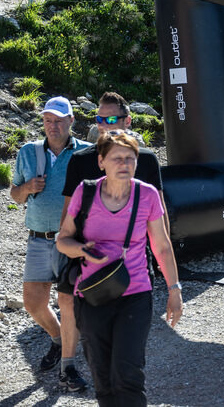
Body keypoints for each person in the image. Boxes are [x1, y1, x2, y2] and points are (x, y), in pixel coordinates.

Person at [57, 132, 182, 405]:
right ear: (101, 161)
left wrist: (174, 289)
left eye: (130, 158)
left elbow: (161, 245)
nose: (124, 163)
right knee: (103, 378)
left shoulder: (147, 195)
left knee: (127, 374)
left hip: (134, 294)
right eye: (117, 158)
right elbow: (62, 240)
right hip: (91, 296)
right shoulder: (85, 191)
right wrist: (82, 249)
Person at [10, 96, 91, 392]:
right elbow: (14, 195)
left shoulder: (87, 153)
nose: (52, 126)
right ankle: (58, 340)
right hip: (38, 239)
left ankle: (68, 367)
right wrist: (27, 188)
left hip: (72, 242)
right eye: (47, 120)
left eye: (58, 120)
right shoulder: (28, 152)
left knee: (67, 302)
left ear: (71, 121)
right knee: (33, 303)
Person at [62, 92, 168, 235]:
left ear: (128, 121)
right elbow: (67, 218)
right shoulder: (79, 160)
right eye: (100, 119)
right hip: (90, 252)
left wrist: (163, 252)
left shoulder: (147, 160)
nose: (104, 125)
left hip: (137, 253)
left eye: (111, 119)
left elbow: (160, 213)